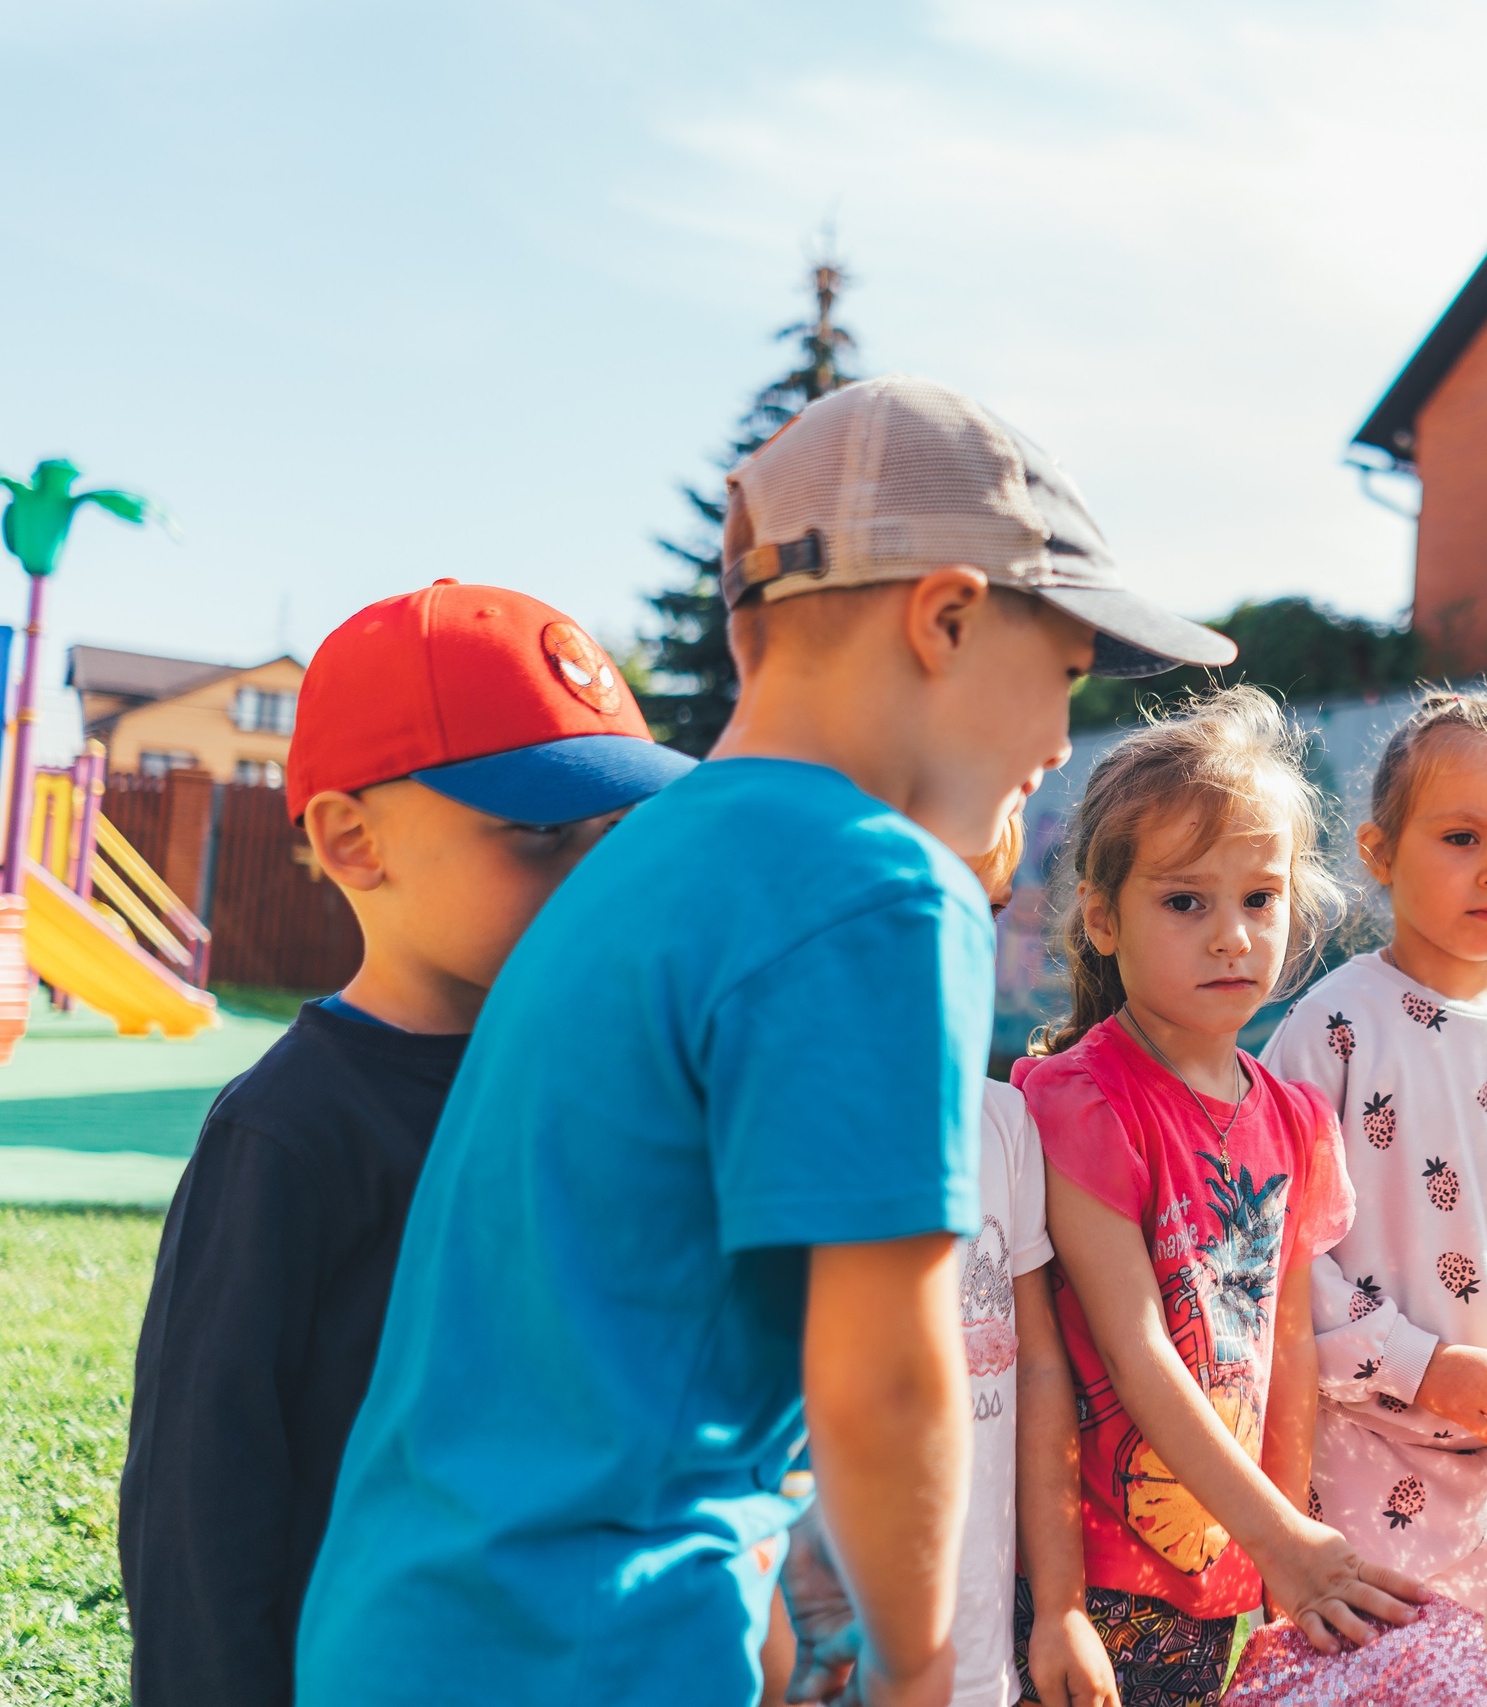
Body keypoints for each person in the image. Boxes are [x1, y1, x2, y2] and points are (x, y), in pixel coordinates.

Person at [294, 376, 1237, 1707]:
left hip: (409, 1623)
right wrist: (916, 1670)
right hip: (602, 1640)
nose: (1055, 742)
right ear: (948, 616)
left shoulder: (633, 865)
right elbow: (882, 1364)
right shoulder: (876, 887)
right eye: (1066, 678)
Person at [116, 581, 693, 1707]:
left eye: (608, 838)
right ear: (350, 838)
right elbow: (202, 1487)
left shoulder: (603, 1090)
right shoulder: (286, 1131)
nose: (589, 878)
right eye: (535, 837)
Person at [1017, 686, 1426, 1707]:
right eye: (1185, 901)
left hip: (1229, 1575)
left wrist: (1279, 1563)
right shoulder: (1084, 1098)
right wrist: (1274, 1537)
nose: (1232, 935)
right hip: (1096, 1577)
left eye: (1259, 898)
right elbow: (1130, 1346)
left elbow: (1288, 1353)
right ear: (1103, 920)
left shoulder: (1293, 1117)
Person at [774, 810, 1120, 1707]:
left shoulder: (1002, 1118)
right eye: (924, 909)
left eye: (989, 906)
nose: (959, 942)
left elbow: (1041, 1366)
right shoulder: (778, 1124)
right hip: (826, 1654)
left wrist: (1060, 1608)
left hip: (973, 1661)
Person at [1257, 692, 1487, 1611]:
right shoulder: (1333, 1024)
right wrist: (1414, 1364)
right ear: (1379, 853)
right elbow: (1277, 1244)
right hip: (1359, 1453)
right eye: (1461, 837)